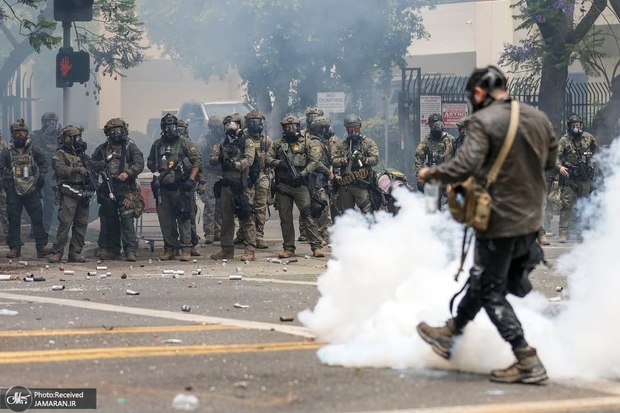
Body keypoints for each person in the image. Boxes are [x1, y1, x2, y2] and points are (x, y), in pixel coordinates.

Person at [416, 66, 557, 384]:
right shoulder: (538, 118)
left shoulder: (483, 121)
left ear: (479, 92)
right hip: (531, 220)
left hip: (499, 220)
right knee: (481, 279)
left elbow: (463, 165)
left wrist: (431, 174)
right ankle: (450, 333)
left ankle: (527, 359)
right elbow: (549, 162)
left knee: (491, 291)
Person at [265, 115, 324, 258]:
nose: (291, 129)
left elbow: (315, 161)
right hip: (283, 186)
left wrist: (303, 173)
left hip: (301, 185)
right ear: (283, 128)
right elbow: (267, 158)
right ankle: (288, 248)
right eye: (287, 127)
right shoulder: (278, 144)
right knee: (285, 218)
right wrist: (279, 163)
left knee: (308, 215)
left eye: (294, 126)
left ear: (298, 126)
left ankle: (316, 246)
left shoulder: (307, 142)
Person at [147, 113, 202, 261]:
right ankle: (170, 248)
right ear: (162, 128)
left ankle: (186, 248)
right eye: (167, 126)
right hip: (163, 189)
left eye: (172, 126)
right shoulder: (157, 145)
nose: (170, 129)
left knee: (184, 218)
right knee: (166, 220)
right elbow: (151, 162)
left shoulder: (185, 143)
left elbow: (197, 161)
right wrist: (157, 173)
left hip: (181, 187)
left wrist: (191, 179)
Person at [92, 118, 145, 262]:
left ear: (124, 131)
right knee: (109, 220)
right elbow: (93, 164)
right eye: (113, 130)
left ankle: (130, 250)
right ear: (108, 133)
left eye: (119, 130)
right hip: (108, 188)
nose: (116, 133)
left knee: (127, 219)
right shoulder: (102, 149)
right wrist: (104, 163)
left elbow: (139, 163)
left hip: (126, 188)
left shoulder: (130, 147)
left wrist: (128, 173)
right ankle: (112, 250)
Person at [0, 119, 53, 258]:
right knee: (13, 219)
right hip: (13, 189)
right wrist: (6, 181)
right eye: (17, 134)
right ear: (12, 135)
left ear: (27, 134)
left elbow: (43, 163)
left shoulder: (33, 149)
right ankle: (15, 248)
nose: (20, 136)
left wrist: (41, 176)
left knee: (37, 218)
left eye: (23, 133)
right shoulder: (6, 151)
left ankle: (41, 246)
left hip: (31, 188)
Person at [208, 115, 256, 261]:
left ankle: (250, 250)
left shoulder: (246, 142)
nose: (230, 127)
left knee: (246, 217)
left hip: (240, 185)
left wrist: (235, 164)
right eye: (227, 125)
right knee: (226, 218)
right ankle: (227, 249)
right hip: (226, 184)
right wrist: (220, 158)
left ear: (240, 125)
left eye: (233, 124)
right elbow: (212, 159)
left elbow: (249, 160)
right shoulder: (221, 143)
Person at [48, 126, 94, 263]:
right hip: (68, 191)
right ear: (68, 139)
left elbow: (91, 167)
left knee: (81, 223)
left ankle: (75, 252)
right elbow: (60, 169)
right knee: (65, 223)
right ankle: (57, 252)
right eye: (76, 137)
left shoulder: (82, 155)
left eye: (79, 137)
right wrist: (77, 169)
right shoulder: (60, 154)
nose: (79, 140)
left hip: (83, 192)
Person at [233, 110, 273, 249]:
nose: (255, 125)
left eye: (257, 122)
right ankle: (243, 233)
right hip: (246, 175)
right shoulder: (242, 138)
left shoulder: (266, 139)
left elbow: (271, 156)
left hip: (262, 175)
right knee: (245, 205)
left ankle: (259, 236)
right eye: (252, 122)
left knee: (261, 206)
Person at [556, 114, 597, 243]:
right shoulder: (564, 140)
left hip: (584, 176)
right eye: (573, 125)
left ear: (581, 125)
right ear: (569, 126)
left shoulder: (588, 137)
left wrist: (591, 165)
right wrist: (560, 167)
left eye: (578, 125)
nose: (576, 127)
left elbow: (596, 151)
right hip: (569, 175)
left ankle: (583, 232)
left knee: (584, 204)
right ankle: (563, 233)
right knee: (566, 204)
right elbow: (555, 156)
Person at [332, 114, 379, 214]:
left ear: (360, 128)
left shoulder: (368, 143)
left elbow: (375, 159)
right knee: (347, 214)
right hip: (345, 184)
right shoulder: (341, 145)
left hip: (362, 183)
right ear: (346, 129)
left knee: (367, 211)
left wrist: (363, 159)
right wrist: (344, 160)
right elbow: (333, 161)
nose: (353, 131)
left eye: (356, 129)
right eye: (350, 129)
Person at [30, 112, 62, 234]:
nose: (52, 124)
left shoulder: (60, 136)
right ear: (43, 122)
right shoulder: (36, 134)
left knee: (50, 201)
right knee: (35, 202)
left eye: (54, 121)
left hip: (53, 170)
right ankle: (35, 229)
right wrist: (46, 135)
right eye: (49, 121)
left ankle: (45, 229)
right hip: (39, 169)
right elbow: (36, 150)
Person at [298, 107, 324, 242]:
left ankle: (320, 231)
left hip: (319, 173)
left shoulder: (325, 134)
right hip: (305, 173)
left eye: (316, 117)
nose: (313, 119)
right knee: (304, 203)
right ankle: (303, 232)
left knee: (320, 202)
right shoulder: (301, 135)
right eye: (311, 116)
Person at [177, 118, 202, 256]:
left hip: (188, 184)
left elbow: (198, 164)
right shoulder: (169, 144)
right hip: (175, 184)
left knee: (190, 215)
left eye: (181, 129)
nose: (179, 131)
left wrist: (201, 182)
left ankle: (192, 244)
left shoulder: (189, 144)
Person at [197, 116, 223, 244]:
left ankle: (218, 231)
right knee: (210, 204)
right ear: (212, 128)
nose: (220, 130)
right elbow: (199, 161)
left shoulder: (223, 140)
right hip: (209, 174)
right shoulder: (204, 141)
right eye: (218, 127)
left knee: (220, 204)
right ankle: (209, 233)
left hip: (221, 175)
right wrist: (201, 180)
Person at [414, 113, 454, 192]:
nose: (435, 128)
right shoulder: (426, 140)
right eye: (433, 126)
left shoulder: (450, 140)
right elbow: (419, 158)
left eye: (437, 125)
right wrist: (420, 179)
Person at [0, 133, 9, 242]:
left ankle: (9, 236)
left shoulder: (4, 145)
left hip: (2, 183)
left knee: (5, 211)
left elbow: (9, 164)